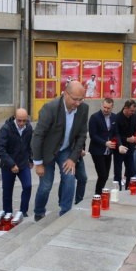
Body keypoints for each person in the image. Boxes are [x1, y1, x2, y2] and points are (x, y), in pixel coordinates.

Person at [31, 81, 89, 221]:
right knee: (46, 185)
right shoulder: (50, 108)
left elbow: (82, 134)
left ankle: (65, 214)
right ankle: (39, 212)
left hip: (65, 150)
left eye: (81, 99)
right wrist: (38, 163)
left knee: (69, 179)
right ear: (65, 94)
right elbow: (38, 136)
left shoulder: (83, 108)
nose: (78, 103)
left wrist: (73, 158)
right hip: (47, 151)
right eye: (75, 99)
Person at [0, 108, 33, 218]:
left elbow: (29, 145)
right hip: (8, 165)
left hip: (23, 163)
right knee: (7, 191)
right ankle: (8, 213)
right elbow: (0, 148)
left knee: (27, 186)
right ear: (14, 118)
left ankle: (23, 211)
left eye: (24, 120)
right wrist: (11, 164)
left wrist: (30, 159)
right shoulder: (6, 129)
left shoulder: (29, 128)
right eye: (19, 120)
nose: (22, 123)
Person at [89, 98, 127, 194]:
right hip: (97, 151)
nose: (105, 110)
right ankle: (97, 195)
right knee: (102, 175)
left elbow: (116, 133)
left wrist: (119, 145)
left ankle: (99, 194)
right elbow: (93, 136)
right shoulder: (94, 117)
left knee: (105, 176)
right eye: (104, 107)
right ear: (102, 105)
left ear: (112, 108)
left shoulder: (114, 117)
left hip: (109, 152)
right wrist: (105, 143)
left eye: (108, 108)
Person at [114, 100, 136, 191]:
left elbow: (135, 129)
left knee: (131, 171)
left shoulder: (134, 117)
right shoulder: (117, 118)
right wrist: (126, 139)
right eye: (131, 111)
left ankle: (128, 190)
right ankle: (118, 191)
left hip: (130, 149)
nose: (133, 113)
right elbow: (115, 135)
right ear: (125, 108)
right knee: (118, 173)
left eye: (134, 111)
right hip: (119, 149)